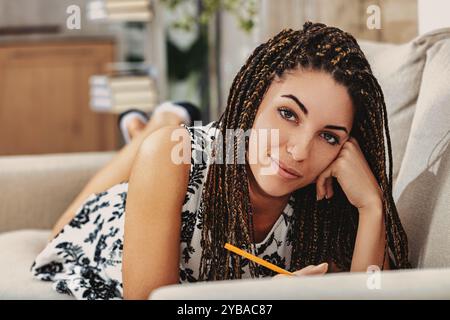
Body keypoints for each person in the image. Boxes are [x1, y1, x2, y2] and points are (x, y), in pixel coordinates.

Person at [31, 22, 410, 300]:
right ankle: (160, 122)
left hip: (221, 152)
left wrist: (371, 205)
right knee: (63, 228)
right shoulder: (175, 156)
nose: (299, 151)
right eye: (289, 114)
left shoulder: (325, 196)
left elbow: (369, 293)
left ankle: (154, 122)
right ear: (255, 96)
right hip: (116, 229)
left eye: (329, 136)